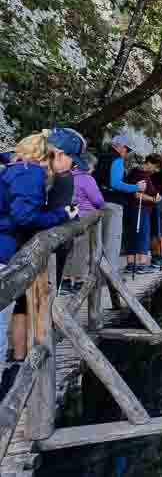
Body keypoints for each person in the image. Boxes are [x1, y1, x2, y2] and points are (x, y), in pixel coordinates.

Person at [0, 131, 77, 368]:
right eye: (70, 159)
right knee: (1, 320)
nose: (71, 166)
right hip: (4, 247)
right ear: (54, 155)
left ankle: (12, 369)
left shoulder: (15, 168)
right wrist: (61, 215)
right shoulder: (30, 172)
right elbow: (24, 217)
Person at [94, 135, 147, 305]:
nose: (127, 153)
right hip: (113, 204)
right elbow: (116, 183)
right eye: (127, 149)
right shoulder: (116, 160)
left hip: (97, 203)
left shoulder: (100, 158)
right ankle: (111, 277)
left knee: (98, 241)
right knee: (112, 241)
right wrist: (137, 187)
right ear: (121, 147)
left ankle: (96, 275)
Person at [46, 128, 87, 292]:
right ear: (60, 154)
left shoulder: (62, 175)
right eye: (72, 159)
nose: (73, 165)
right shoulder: (63, 177)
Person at [63, 153, 105, 294]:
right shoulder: (87, 179)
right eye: (93, 166)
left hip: (68, 216)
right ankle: (79, 280)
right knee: (82, 250)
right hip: (85, 218)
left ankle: (65, 280)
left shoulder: (67, 176)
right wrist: (101, 206)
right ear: (88, 165)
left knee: (69, 249)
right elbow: (97, 200)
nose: (94, 169)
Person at [124, 153, 162, 274]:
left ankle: (130, 264)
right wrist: (153, 199)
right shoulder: (140, 174)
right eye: (155, 167)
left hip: (133, 208)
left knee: (132, 234)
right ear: (149, 163)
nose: (155, 170)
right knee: (143, 234)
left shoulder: (137, 173)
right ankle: (142, 265)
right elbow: (137, 194)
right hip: (140, 208)